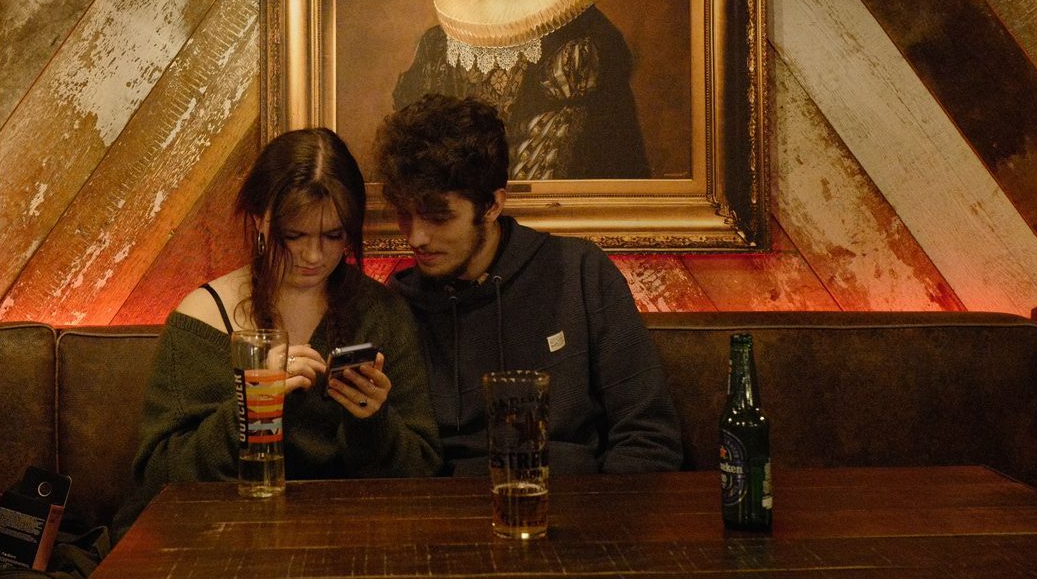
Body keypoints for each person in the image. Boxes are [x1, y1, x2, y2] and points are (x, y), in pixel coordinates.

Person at [114, 128, 442, 531]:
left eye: (333, 235)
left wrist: (372, 421)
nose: (314, 255)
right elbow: (157, 479)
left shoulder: (381, 312)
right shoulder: (206, 315)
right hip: (222, 541)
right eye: (295, 235)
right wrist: (250, 409)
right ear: (260, 221)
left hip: (349, 538)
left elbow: (422, 475)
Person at [374, 94, 682, 476]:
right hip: (447, 517)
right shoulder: (398, 306)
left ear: (492, 206)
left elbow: (649, 438)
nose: (416, 237)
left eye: (439, 217)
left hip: (575, 508)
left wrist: (604, 525)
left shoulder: (580, 272)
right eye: (405, 215)